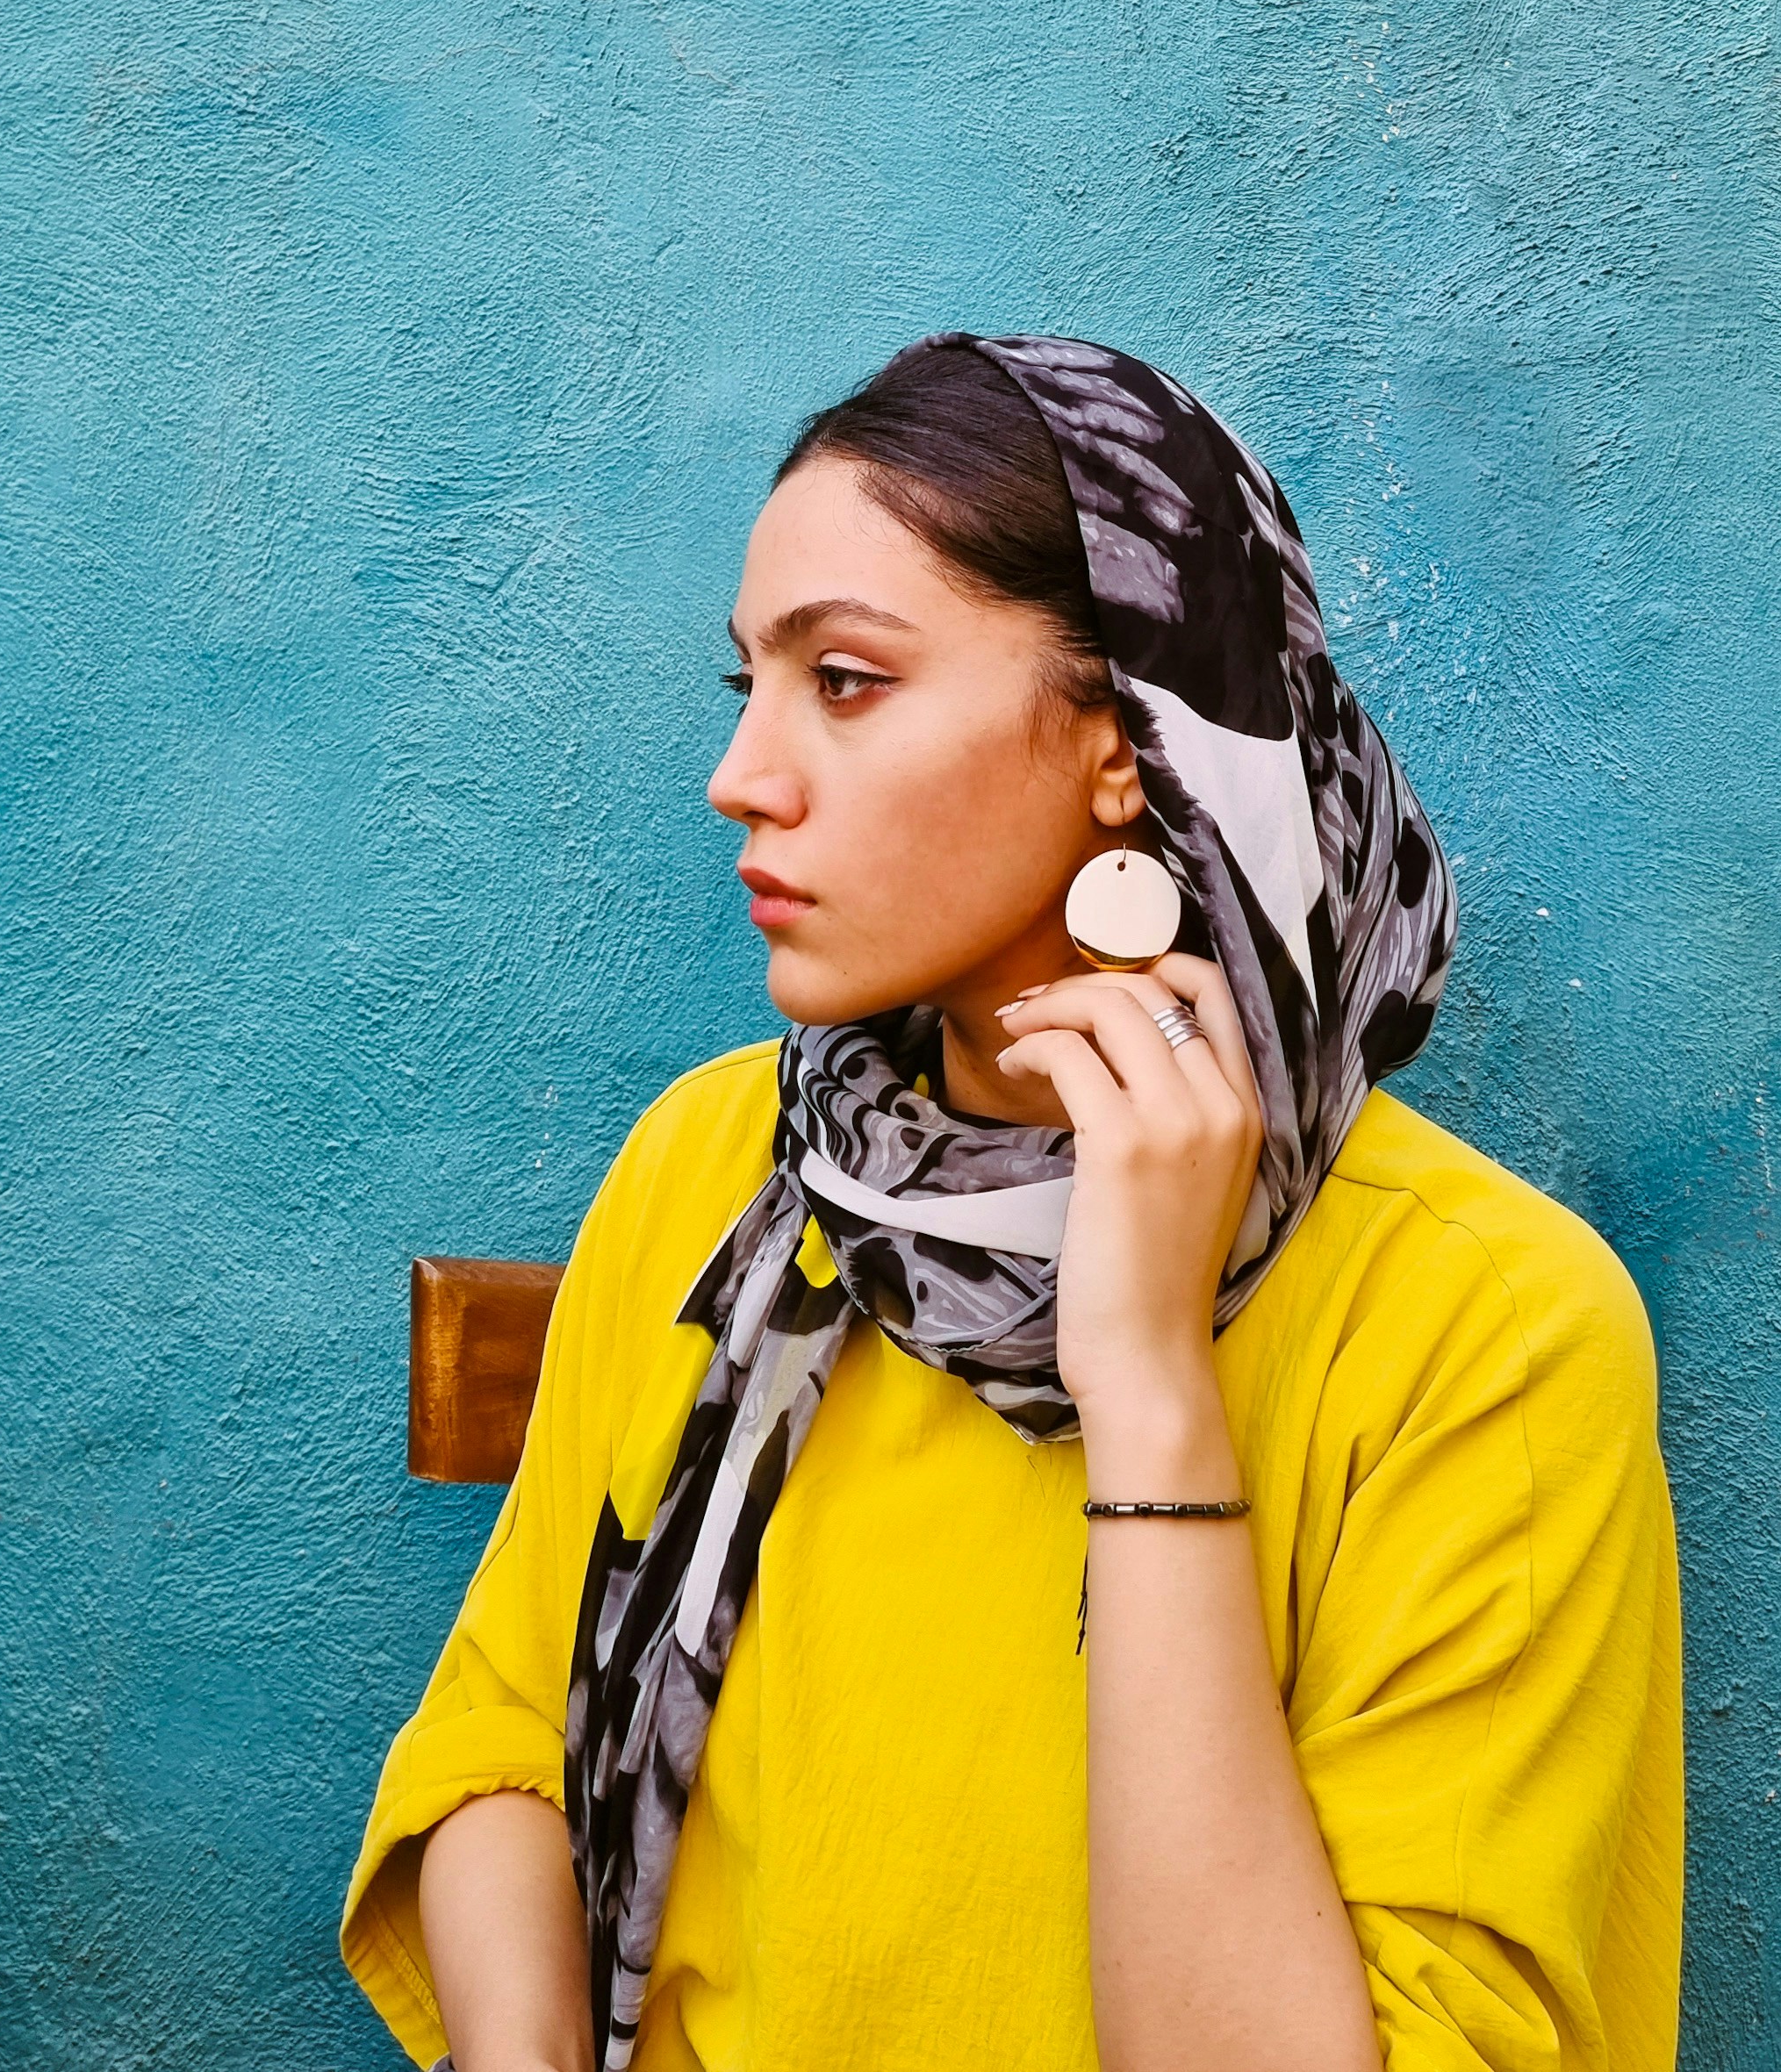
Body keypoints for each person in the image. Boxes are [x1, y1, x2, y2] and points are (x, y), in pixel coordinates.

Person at [341, 334, 1683, 2072]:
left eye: (842, 681)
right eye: (747, 681)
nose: (739, 774)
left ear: (1124, 745)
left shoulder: (1484, 1327)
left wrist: (1146, 1378)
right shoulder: (720, 1161)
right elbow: (504, 1736)